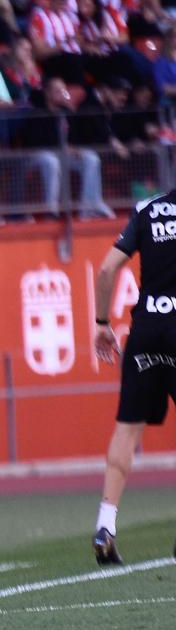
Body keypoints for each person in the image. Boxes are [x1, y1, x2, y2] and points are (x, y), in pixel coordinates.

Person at [88, 189, 176, 564]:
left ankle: (105, 524)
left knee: (127, 428)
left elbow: (108, 268)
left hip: (146, 330)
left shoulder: (147, 209)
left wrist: (103, 322)